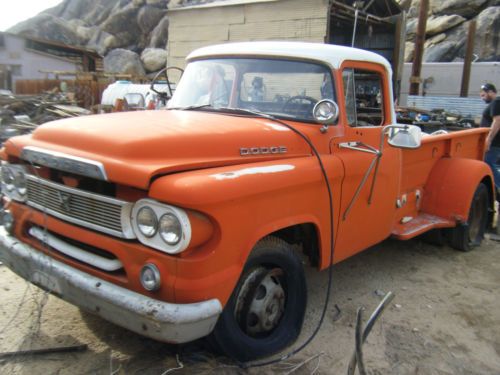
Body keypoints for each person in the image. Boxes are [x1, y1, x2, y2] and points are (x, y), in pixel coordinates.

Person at [480, 83, 500, 202]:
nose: (482, 98)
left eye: (484, 95)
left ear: (491, 92)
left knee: (488, 163)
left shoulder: (496, 102)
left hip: (494, 142)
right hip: (494, 142)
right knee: (488, 164)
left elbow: (497, 121)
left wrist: (489, 139)